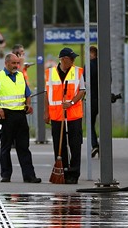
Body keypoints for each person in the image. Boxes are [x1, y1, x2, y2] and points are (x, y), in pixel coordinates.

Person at [0, 53, 41, 183]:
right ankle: (6, 175)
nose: (16, 66)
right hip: (5, 116)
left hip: (20, 115)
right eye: (13, 63)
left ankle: (29, 176)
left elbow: (27, 93)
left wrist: (28, 105)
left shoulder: (20, 76)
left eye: (17, 63)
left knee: (24, 147)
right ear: (6, 63)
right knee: (6, 146)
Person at [44, 47, 86, 184]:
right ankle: (63, 170)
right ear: (63, 59)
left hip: (74, 114)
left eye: (74, 58)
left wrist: (72, 102)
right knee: (59, 145)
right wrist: (46, 112)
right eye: (71, 58)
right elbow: (46, 94)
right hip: (56, 114)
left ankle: (73, 174)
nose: (73, 61)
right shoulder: (50, 73)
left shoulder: (78, 71)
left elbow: (82, 91)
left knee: (75, 144)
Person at [87, 45, 100, 158]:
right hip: (103, 98)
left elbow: (83, 82)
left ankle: (95, 144)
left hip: (92, 98)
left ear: (92, 54)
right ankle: (104, 146)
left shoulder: (89, 66)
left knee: (90, 123)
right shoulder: (104, 65)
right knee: (104, 124)